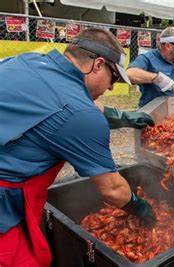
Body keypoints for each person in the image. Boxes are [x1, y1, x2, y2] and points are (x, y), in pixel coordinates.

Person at [0, 28, 157, 267]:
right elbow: (112, 190)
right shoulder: (78, 114)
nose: (112, 88)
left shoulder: (30, 61)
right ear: (98, 64)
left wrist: (123, 117)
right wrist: (141, 208)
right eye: (114, 78)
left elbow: (68, 101)